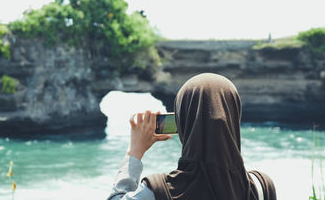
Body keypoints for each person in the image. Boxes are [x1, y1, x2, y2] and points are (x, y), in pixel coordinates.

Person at [107, 73, 277, 200]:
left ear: (184, 123)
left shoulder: (159, 191)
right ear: (233, 116)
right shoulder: (262, 187)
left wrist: (134, 153)